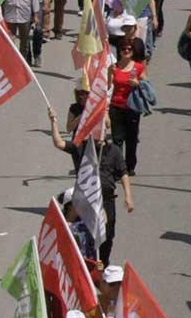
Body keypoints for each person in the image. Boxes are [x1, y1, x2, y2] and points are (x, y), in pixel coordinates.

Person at [48, 105, 132, 264]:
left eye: (102, 131)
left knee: (107, 235)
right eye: (96, 131)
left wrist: (128, 196)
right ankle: (86, 266)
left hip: (106, 201)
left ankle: (103, 265)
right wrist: (53, 121)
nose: (100, 135)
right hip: (86, 199)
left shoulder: (113, 151)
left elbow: (123, 173)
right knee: (85, 235)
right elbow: (59, 143)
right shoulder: (81, 147)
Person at [108, 39, 146, 176]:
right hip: (115, 107)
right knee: (117, 140)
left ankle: (130, 166)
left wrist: (137, 83)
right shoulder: (114, 68)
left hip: (132, 108)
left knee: (131, 139)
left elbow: (146, 87)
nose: (127, 51)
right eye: (124, 49)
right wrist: (109, 74)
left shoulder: (138, 67)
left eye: (129, 49)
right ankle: (119, 167)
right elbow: (107, 88)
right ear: (119, 51)